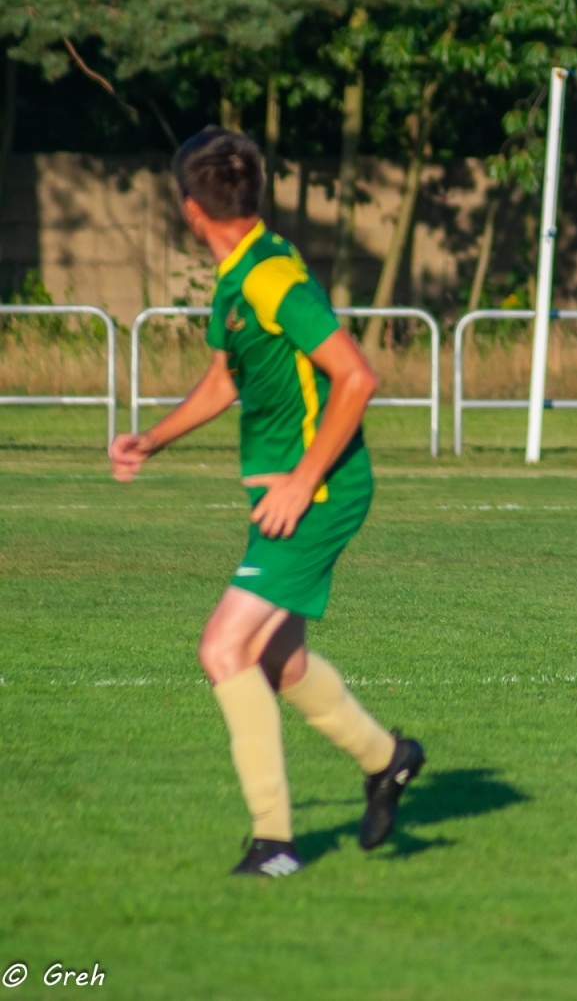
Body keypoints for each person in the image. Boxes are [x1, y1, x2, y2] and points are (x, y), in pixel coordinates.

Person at [109, 128, 423, 875]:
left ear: (190, 209)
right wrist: (154, 439)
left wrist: (302, 476)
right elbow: (225, 381)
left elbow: (356, 377)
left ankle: (275, 843)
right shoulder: (236, 277)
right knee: (278, 659)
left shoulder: (273, 278)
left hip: (320, 492)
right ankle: (388, 760)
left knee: (222, 647)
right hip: (295, 494)